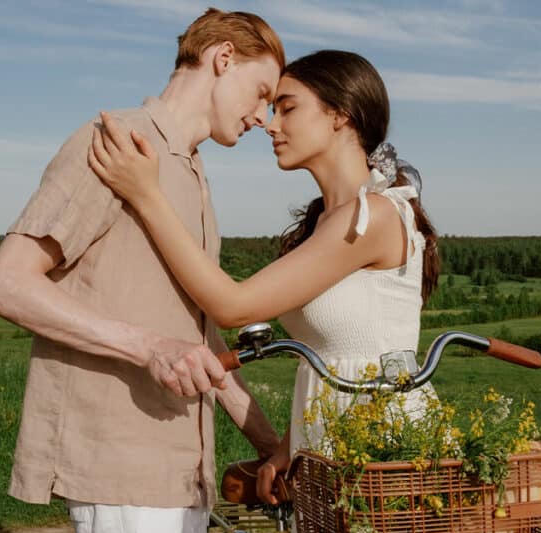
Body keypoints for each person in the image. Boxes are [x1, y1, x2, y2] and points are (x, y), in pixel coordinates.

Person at [0, 9, 285, 533]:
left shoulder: (192, 171)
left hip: (183, 472)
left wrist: (270, 445)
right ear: (223, 58)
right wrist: (149, 347)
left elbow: (200, 339)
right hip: (121, 467)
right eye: (261, 92)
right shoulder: (115, 139)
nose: (263, 117)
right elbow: (6, 283)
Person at [87, 49, 441, 506]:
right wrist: (286, 447)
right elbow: (335, 357)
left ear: (340, 116)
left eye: (288, 108)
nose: (271, 125)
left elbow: (233, 307)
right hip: (330, 441)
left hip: (386, 443)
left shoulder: (372, 216)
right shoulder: (327, 224)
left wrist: (147, 195)